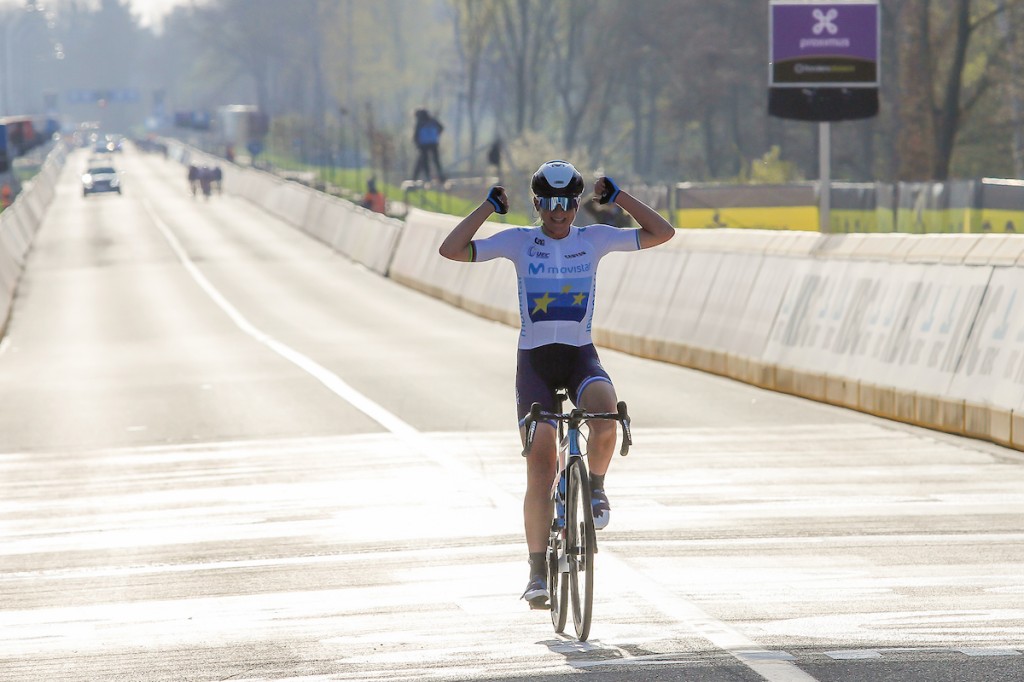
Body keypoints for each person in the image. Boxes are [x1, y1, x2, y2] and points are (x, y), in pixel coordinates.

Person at [438, 160, 675, 608]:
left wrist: (620, 197)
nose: (558, 212)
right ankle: (536, 572)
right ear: (537, 203)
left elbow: (663, 233)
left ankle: (597, 487)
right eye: (548, 203)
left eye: (567, 203)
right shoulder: (520, 241)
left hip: (580, 356)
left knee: (606, 412)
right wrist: (487, 208)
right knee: (542, 461)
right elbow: (452, 250)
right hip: (536, 367)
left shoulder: (595, 238)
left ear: (577, 203)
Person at [411, 108, 445, 182]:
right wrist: (436, 134)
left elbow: (416, 134)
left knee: (425, 161)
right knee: (436, 160)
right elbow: (441, 128)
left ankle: (427, 176)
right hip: (433, 143)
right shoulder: (433, 120)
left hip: (423, 144)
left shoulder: (420, 122)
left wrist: (417, 143)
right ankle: (441, 175)